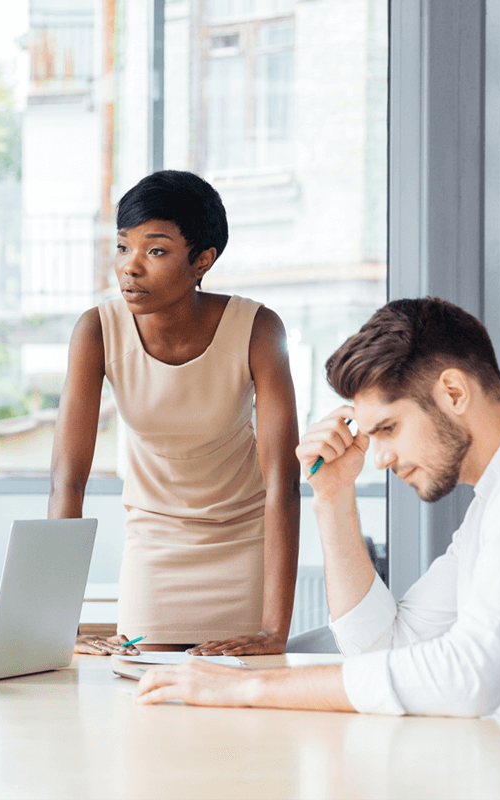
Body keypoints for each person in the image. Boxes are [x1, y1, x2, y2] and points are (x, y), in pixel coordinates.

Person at [134, 297, 500, 776]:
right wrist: (332, 496)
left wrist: (252, 688)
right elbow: (385, 648)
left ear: (454, 392)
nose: (380, 459)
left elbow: (470, 677)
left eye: (389, 428)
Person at [49, 170, 301, 655]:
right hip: (153, 550)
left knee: (243, 714)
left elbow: (283, 484)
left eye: (156, 250)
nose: (130, 267)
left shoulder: (259, 330)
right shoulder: (96, 331)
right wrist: (56, 624)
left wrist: (275, 630)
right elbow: (67, 481)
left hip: (243, 545)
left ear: (202, 260)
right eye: (123, 247)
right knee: (147, 707)